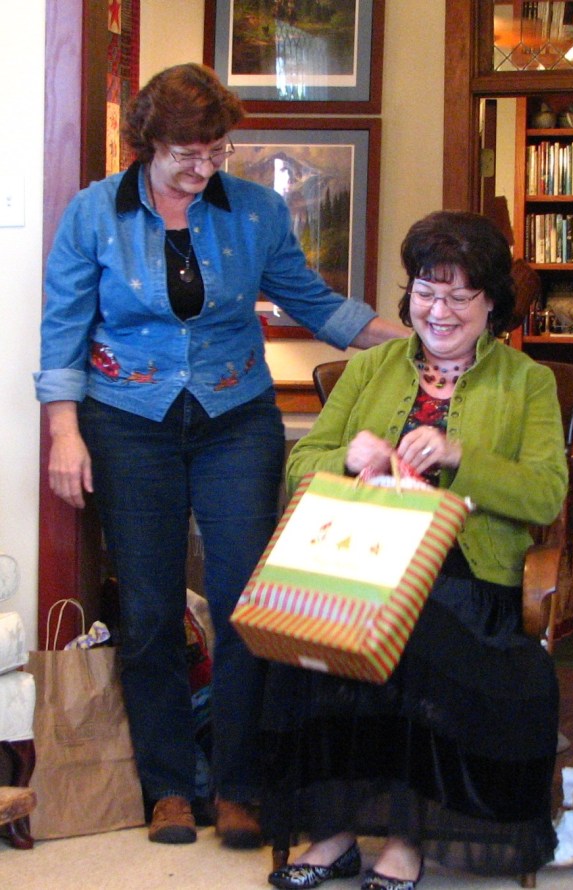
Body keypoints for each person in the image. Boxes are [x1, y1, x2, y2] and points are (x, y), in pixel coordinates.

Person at [34, 63, 406, 848]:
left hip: (236, 417)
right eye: (186, 154)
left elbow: (315, 303)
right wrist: (64, 431)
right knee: (149, 607)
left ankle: (241, 787)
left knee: (246, 600)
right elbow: (63, 328)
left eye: (215, 151)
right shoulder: (94, 213)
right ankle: (170, 788)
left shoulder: (257, 210)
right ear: (147, 142)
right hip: (126, 421)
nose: (203, 168)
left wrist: (418, 339)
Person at [261, 210, 568, 890]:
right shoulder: (370, 369)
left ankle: (406, 837)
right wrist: (349, 457)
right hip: (364, 562)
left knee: (419, 626)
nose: (440, 310)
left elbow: (546, 494)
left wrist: (459, 455)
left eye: (460, 295)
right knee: (314, 635)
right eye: (428, 291)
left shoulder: (527, 382)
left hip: (469, 577)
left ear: (492, 303)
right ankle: (335, 832)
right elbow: (302, 463)